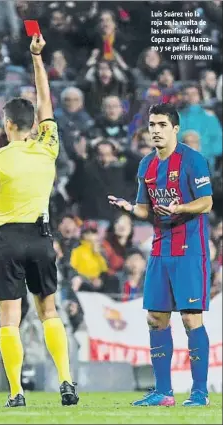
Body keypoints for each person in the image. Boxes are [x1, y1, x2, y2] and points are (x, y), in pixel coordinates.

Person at [0, 34, 79, 408]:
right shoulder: (48, 146)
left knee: (9, 319)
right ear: (33, 123)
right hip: (41, 237)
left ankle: (16, 392)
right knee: (49, 310)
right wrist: (37, 58)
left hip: (5, 239)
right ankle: (66, 380)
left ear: (5, 122)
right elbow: (46, 99)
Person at [108, 103, 213, 407]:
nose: (155, 130)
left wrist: (180, 208)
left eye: (161, 125)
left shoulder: (193, 160)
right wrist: (129, 208)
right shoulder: (146, 165)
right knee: (156, 318)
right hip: (159, 248)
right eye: (152, 125)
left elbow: (205, 203)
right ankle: (163, 392)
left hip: (189, 250)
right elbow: (145, 209)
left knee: (191, 318)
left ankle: (199, 392)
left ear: (175, 128)